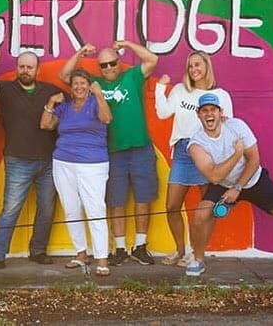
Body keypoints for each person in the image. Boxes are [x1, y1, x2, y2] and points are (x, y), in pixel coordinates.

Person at [186, 93, 273, 276]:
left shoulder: (237, 126)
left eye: (213, 110)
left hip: (253, 180)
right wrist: (236, 154)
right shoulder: (196, 143)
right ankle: (198, 260)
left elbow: (253, 160)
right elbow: (214, 177)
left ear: (221, 113)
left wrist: (237, 188)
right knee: (201, 215)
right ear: (199, 114)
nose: (209, 114)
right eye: (205, 111)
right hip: (223, 184)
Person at [59, 41, 158, 266]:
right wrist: (81, 52)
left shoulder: (132, 76)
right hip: (112, 151)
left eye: (113, 62)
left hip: (140, 146)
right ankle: (120, 249)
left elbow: (152, 60)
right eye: (103, 65)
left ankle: (140, 246)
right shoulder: (95, 83)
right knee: (116, 201)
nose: (109, 68)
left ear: (119, 62)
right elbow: (65, 75)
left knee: (143, 198)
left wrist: (127, 44)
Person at [0, 47, 62, 272]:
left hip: (48, 161)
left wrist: (58, 99)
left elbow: (73, 104)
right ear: (17, 68)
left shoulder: (51, 91)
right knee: (11, 209)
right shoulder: (6, 89)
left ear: (37, 69)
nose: (25, 70)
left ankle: (38, 251)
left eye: (29, 67)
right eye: (21, 66)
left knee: (47, 208)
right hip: (17, 161)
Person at [154, 51, 233, 268]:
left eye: (197, 65)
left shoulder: (221, 95)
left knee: (206, 208)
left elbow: (228, 128)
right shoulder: (181, 90)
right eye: (190, 66)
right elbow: (163, 113)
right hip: (182, 150)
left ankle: (198, 254)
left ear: (207, 66)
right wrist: (161, 88)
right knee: (171, 205)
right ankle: (181, 250)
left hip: (207, 152)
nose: (193, 70)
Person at [41, 69, 113, 277]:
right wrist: (51, 103)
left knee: (95, 209)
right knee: (71, 209)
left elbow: (107, 119)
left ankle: (101, 258)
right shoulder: (65, 108)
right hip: (63, 162)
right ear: (71, 88)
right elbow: (45, 124)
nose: (79, 87)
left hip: (92, 164)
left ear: (89, 85)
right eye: (75, 84)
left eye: (83, 83)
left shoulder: (95, 102)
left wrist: (99, 95)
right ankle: (81, 253)